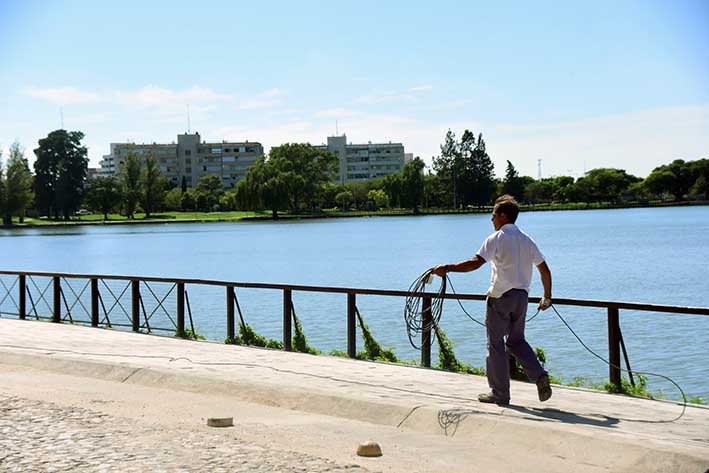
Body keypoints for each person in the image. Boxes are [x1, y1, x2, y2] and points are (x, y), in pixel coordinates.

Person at [433, 195, 553, 406]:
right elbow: (544, 269)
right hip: (522, 298)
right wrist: (547, 297)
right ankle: (539, 375)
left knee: (496, 345)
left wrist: (448, 268)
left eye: (493, 215)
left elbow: (475, 262)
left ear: (503, 216)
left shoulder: (496, 238)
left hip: (500, 297)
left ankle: (499, 394)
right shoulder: (527, 240)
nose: (491, 219)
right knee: (517, 341)